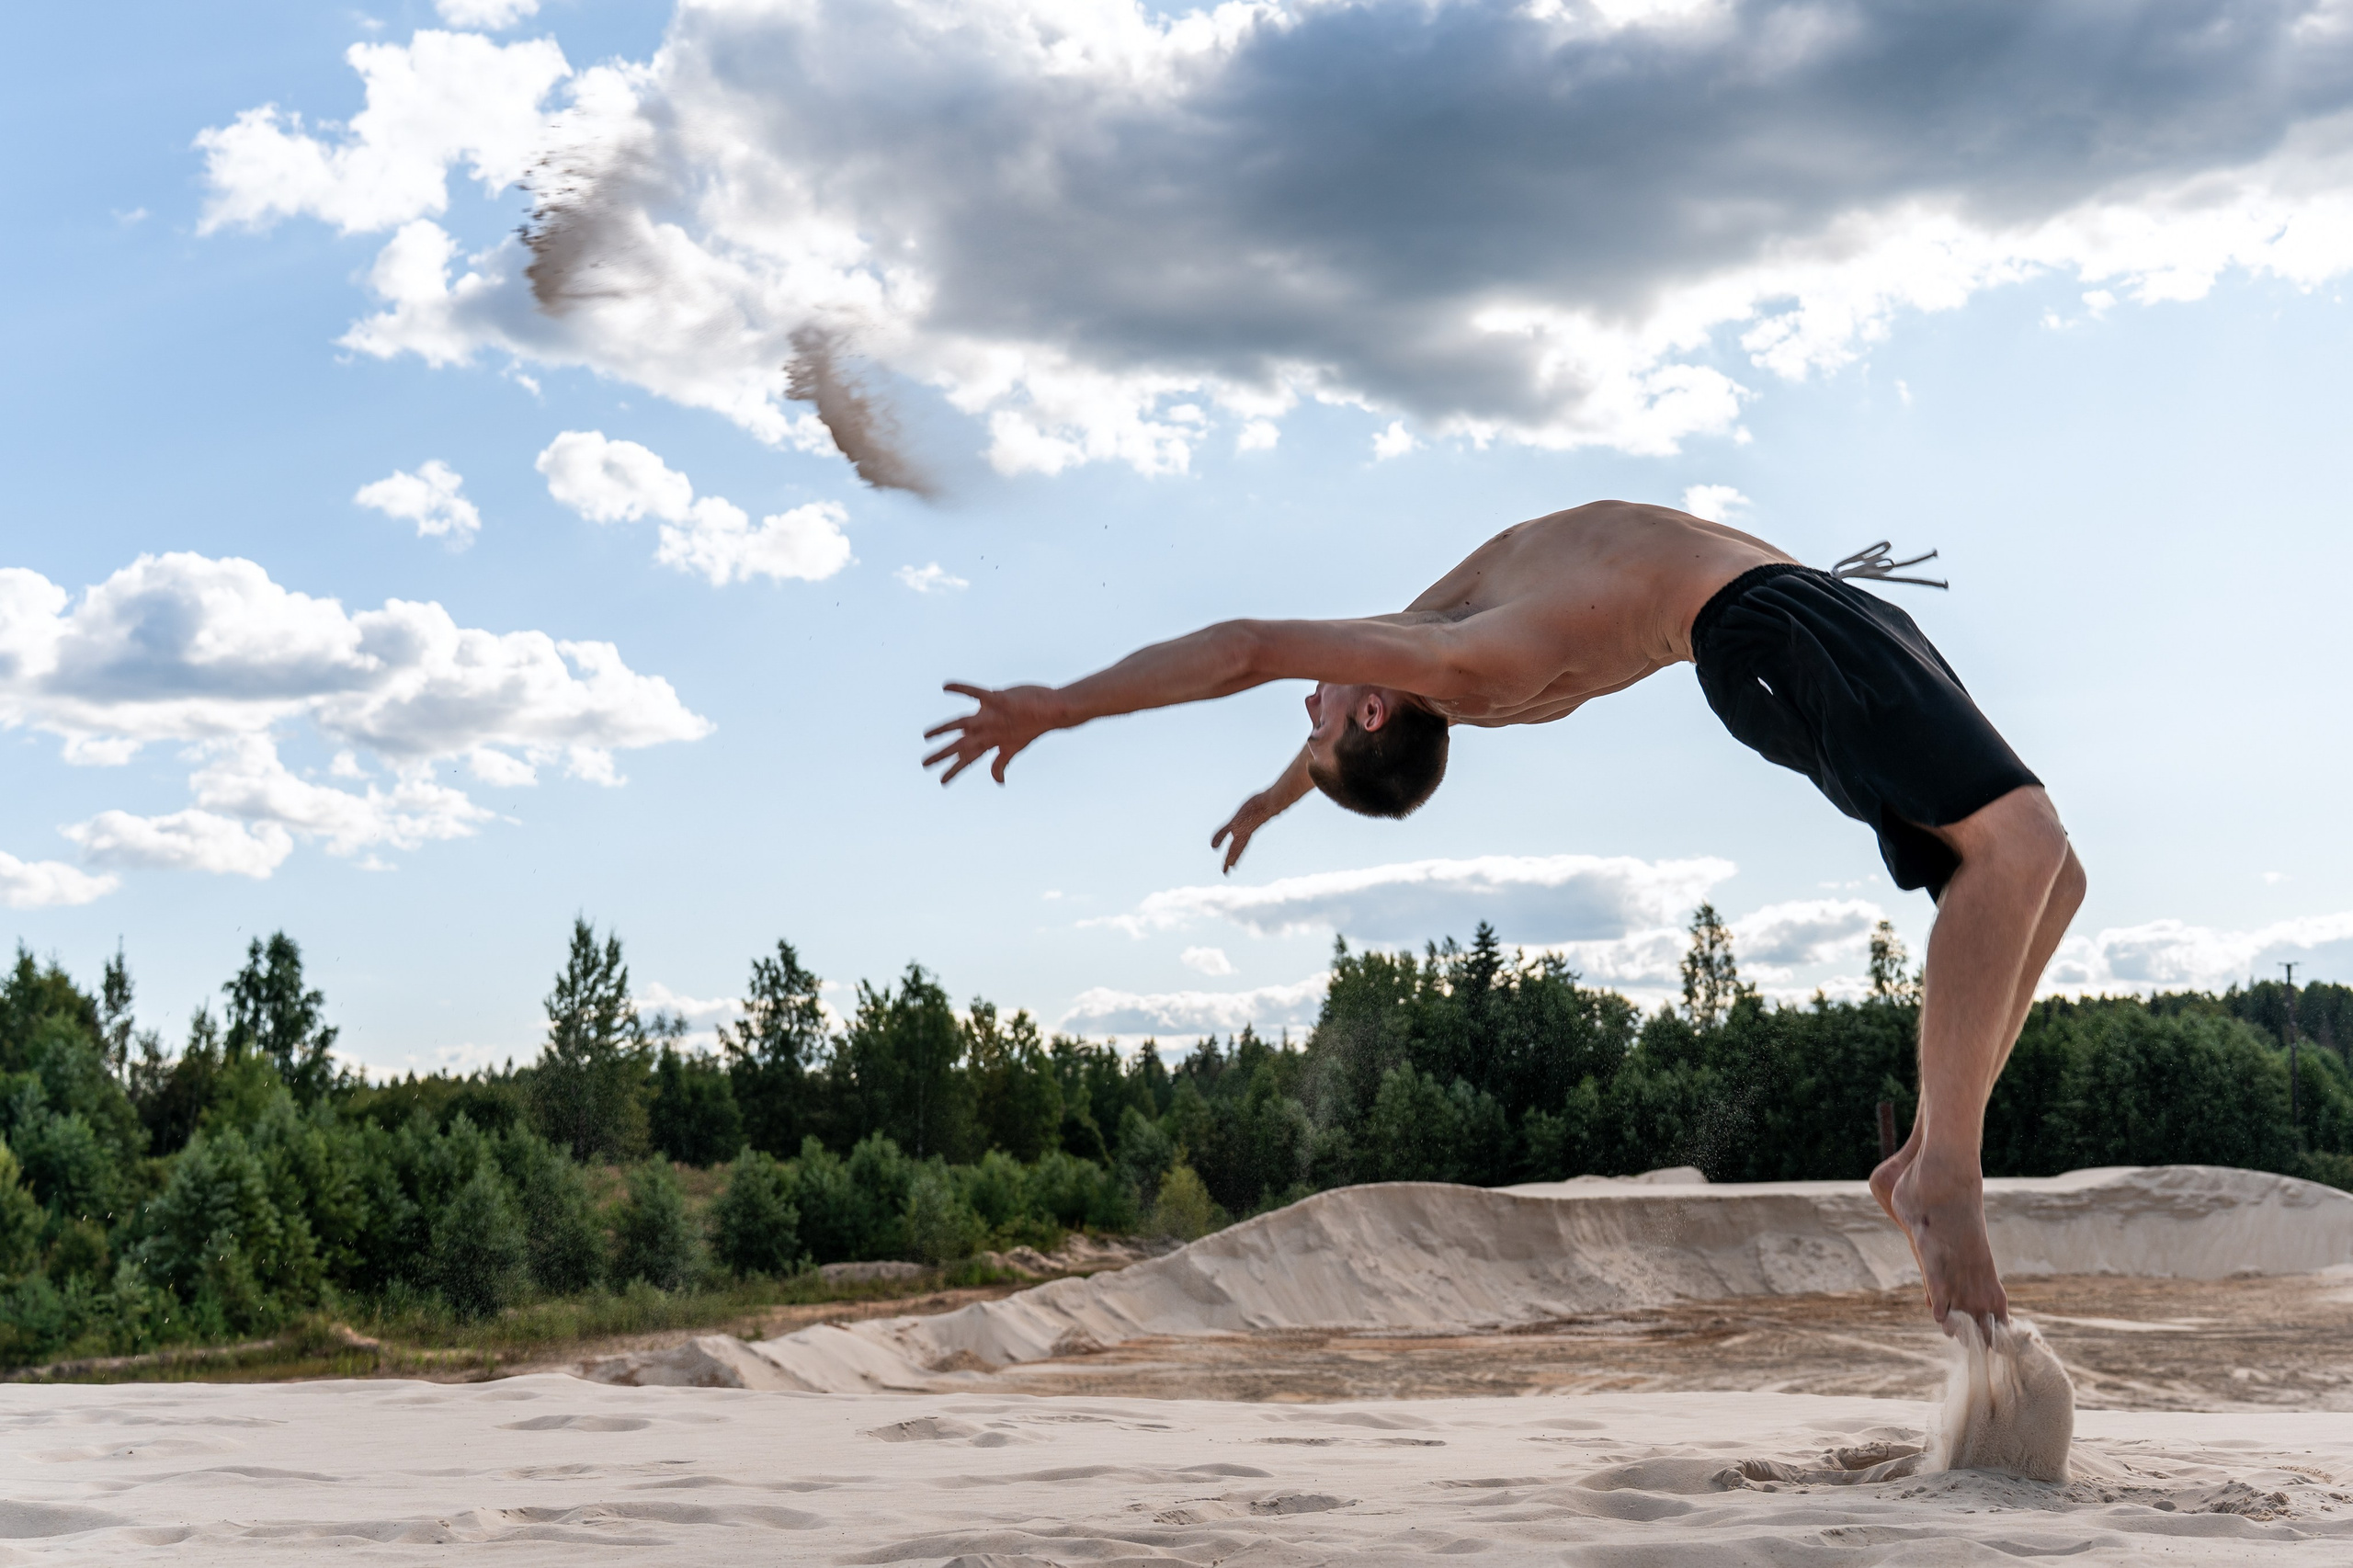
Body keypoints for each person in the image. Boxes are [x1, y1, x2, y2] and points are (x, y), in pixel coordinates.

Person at [923, 499, 2085, 1332]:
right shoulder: (1463, 660)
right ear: (1377, 700)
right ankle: (1945, 1174)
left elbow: (1328, 722)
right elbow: (1243, 650)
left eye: (1308, 716)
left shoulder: (1433, 634)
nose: (1305, 700)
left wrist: (1279, 800)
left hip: (1818, 602)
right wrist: (1059, 705)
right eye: (1315, 715)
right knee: (2010, 845)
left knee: (2055, 876)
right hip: (1768, 627)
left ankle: (1932, 1147)